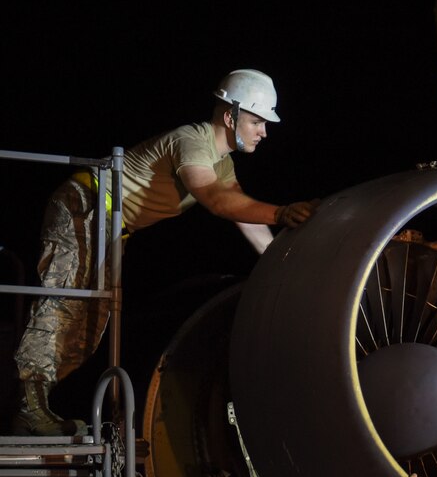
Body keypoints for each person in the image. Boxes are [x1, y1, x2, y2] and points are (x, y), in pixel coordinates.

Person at [11, 69, 319, 436]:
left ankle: (36, 409)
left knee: (90, 324)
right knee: (65, 304)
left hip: (112, 224)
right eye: (257, 121)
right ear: (229, 116)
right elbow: (216, 200)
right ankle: (28, 410)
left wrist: (279, 261)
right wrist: (281, 213)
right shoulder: (191, 141)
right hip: (86, 204)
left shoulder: (222, 163)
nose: (264, 131)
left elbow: (241, 213)